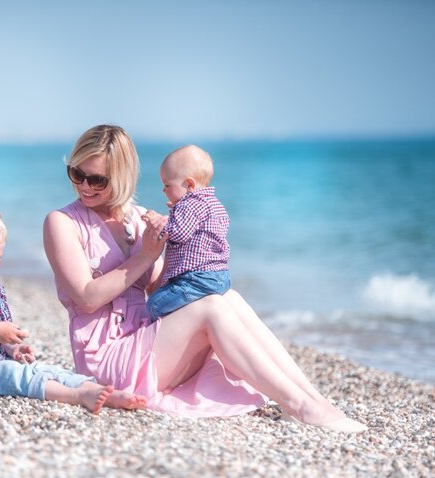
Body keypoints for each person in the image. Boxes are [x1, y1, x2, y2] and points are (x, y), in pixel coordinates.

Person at [43, 124, 367, 432]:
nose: (85, 186)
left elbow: (159, 289)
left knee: (229, 298)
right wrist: (147, 255)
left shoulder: (138, 219)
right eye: (77, 174)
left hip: (148, 339)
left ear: (122, 177)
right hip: (107, 359)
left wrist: (177, 249)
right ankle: (300, 406)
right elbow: (87, 298)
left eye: (97, 180)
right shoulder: (62, 223)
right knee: (211, 306)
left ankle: (310, 397)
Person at [0, 203, 147, 414]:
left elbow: (3, 339)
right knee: (11, 373)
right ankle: (77, 396)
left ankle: (98, 390)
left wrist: (14, 349)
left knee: (45, 368)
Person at [146, 144, 231, 322]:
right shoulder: (215, 204)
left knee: (153, 305)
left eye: (167, 185)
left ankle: (187, 323)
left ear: (189, 184)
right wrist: (176, 211)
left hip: (196, 279)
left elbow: (179, 234)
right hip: (220, 276)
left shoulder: (189, 204)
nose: (163, 190)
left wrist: (158, 222)